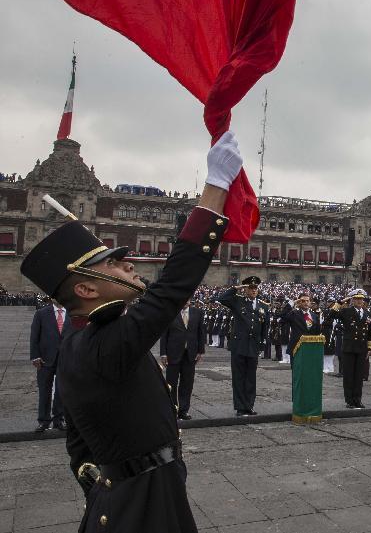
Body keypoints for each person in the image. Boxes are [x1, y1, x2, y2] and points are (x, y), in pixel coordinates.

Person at [19, 131, 241, 533]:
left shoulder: (79, 342)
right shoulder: (107, 345)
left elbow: (78, 448)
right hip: (143, 501)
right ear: (85, 289)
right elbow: (172, 288)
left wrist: (105, 487)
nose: (131, 267)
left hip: (128, 494)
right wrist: (215, 190)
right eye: (116, 267)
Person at [216, 276, 269, 417]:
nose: (253, 290)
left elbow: (265, 327)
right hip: (239, 345)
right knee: (238, 377)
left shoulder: (263, 306)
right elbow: (221, 299)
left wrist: (262, 345)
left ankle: (249, 406)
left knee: (251, 378)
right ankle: (240, 407)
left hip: (253, 346)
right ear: (246, 290)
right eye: (250, 288)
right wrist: (236, 288)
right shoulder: (237, 301)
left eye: (255, 288)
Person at [29, 299, 71, 432]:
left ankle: (59, 419)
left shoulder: (72, 313)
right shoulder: (41, 313)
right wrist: (35, 356)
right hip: (45, 359)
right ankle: (43, 421)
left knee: (61, 391)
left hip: (65, 359)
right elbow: (34, 336)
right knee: (44, 391)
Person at [159, 301, 205, 420]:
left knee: (187, 383)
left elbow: (201, 332)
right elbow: (164, 334)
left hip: (190, 354)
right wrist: (163, 353)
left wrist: (200, 350)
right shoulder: (171, 312)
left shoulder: (198, 312)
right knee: (171, 383)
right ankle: (172, 409)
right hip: (172, 354)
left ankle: (184, 410)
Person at [338, 289, 371, 408]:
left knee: (359, 376)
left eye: (361, 299)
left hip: (361, 348)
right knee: (349, 375)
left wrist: (369, 349)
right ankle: (349, 400)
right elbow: (331, 315)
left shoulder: (368, 313)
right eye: (357, 299)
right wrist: (341, 301)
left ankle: (357, 399)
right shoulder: (346, 311)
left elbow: (370, 333)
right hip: (349, 347)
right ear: (352, 300)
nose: (359, 301)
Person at [281, 292, 320, 361]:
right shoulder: (294, 314)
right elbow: (283, 316)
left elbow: (317, 332)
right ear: (299, 302)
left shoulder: (315, 316)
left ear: (310, 302)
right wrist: (292, 302)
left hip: (310, 348)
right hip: (296, 348)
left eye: (307, 301)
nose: (306, 303)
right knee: (297, 371)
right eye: (303, 301)